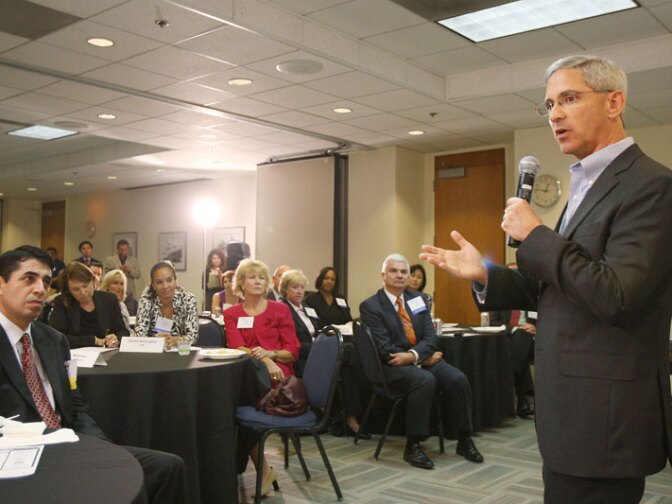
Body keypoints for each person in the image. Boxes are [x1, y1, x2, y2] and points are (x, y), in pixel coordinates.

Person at [420, 55, 672, 503]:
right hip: (570, 414)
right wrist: (484, 274)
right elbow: (557, 287)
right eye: (549, 104)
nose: (555, 114)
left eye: (569, 99)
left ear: (615, 102)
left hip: (602, 421)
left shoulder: (652, 186)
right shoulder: (589, 183)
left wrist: (535, 234)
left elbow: (616, 294)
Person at [0, 245, 188, 503]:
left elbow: (74, 403)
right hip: (20, 458)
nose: (40, 289)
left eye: (45, 281)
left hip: (69, 445)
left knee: (169, 467)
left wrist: (101, 448)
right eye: (28, 279)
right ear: (1, 284)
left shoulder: (53, 340)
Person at [359, 254, 483, 469]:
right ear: (383, 275)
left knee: (458, 379)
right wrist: (419, 359)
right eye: (393, 271)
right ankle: (413, 445)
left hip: (417, 359)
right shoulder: (371, 306)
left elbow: (430, 337)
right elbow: (385, 348)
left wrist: (415, 357)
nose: (399, 275)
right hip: (390, 367)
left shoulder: (418, 299)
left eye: (403, 272)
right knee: (424, 380)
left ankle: (464, 439)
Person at [223, 259, 300, 496]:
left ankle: (240, 469)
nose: (258, 281)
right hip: (250, 374)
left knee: (238, 404)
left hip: (280, 378)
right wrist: (264, 360)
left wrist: (273, 355)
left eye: (262, 277)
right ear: (241, 284)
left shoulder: (281, 309)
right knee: (239, 398)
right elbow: (237, 348)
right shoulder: (232, 314)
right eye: (252, 277)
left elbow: (292, 351)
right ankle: (263, 471)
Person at [281, 269, 368, 437]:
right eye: (294, 287)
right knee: (349, 355)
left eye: (301, 287)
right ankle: (344, 419)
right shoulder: (284, 310)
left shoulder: (305, 308)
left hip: (317, 352)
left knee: (347, 369)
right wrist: (321, 347)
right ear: (285, 289)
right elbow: (294, 345)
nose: (299, 291)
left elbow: (318, 330)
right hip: (303, 357)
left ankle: (347, 418)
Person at [49, 262, 126, 349]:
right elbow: (57, 338)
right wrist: (93, 340)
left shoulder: (109, 300)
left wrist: (117, 339)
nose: (83, 292)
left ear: (93, 282)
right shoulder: (62, 302)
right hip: (76, 356)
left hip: (107, 355)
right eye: (76, 289)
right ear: (68, 290)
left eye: (85, 286)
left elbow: (123, 331)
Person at [134, 261, 198, 347]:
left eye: (169, 280)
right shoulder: (146, 301)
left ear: (176, 280)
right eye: (159, 282)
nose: (165, 286)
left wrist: (175, 340)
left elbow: (193, 336)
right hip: (153, 354)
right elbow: (139, 337)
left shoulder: (188, 300)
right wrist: (157, 342)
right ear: (153, 285)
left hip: (181, 354)